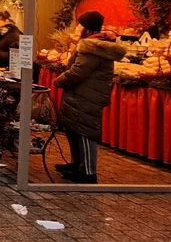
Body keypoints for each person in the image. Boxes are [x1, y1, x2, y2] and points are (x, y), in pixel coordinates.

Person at [54, 11, 126, 184]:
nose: (77, 28)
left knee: (85, 132)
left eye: (80, 25)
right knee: (74, 130)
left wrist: (59, 80)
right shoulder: (91, 45)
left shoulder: (93, 48)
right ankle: (77, 165)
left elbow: (78, 72)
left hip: (87, 96)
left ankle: (87, 172)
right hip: (81, 94)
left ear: (87, 28)